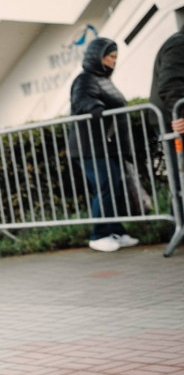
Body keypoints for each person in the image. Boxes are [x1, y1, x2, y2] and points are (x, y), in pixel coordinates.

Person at [69, 37, 139, 253]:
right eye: (110, 56)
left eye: (116, 57)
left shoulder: (102, 79)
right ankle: (98, 235)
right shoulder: (85, 79)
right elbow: (81, 101)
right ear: (97, 57)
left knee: (114, 187)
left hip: (104, 145)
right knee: (105, 187)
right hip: (89, 146)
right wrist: (95, 107)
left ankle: (115, 231)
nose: (113, 61)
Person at [150, 23, 184, 197]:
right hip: (174, 122)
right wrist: (181, 114)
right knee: (180, 179)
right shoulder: (179, 44)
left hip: (173, 119)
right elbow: (170, 85)